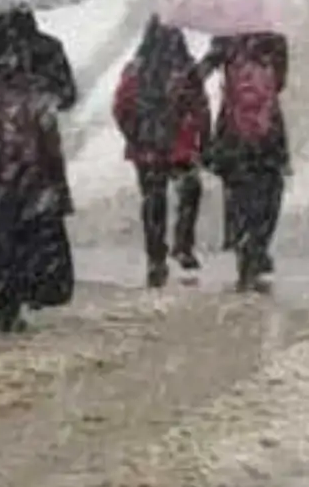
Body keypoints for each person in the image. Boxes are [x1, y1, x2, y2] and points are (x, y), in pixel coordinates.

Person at [0, 5, 77, 333]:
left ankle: (3, 296)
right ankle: (34, 285)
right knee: (36, 224)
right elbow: (69, 95)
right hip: (38, 155)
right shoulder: (48, 47)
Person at [113, 16, 211, 288]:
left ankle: (156, 256)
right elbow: (200, 107)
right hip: (178, 146)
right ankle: (183, 242)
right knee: (190, 191)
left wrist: (133, 134)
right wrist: (202, 139)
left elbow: (121, 106)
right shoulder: (185, 68)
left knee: (153, 202)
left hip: (146, 148)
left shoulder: (135, 69)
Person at [205, 30, 290, 292]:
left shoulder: (226, 41)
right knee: (269, 191)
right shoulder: (274, 42)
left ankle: (244, 248)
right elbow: (280, 83)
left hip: (233, 132)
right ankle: (259, 245)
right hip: (268, 133)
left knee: (238, 192)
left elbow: (200, 73)